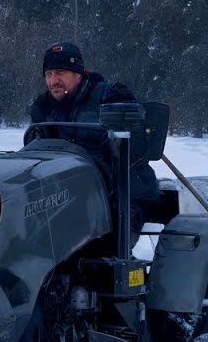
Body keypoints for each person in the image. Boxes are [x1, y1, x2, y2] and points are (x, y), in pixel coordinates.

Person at [27, 42, 159, 240]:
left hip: (120, 191)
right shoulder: (43, 108)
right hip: (65, 193)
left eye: (60, 72)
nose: (53, 80)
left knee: (95, 245)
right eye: (49, 74)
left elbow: (133, 149)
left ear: (79, 74)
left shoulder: (111, 95)